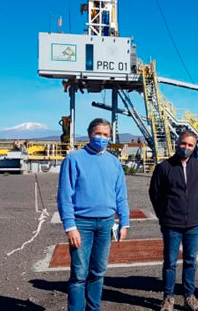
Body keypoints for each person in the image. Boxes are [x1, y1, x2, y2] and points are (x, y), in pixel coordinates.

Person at [57, 118, 130, 311]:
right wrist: (70, 226)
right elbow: (65, 195)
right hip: (82, 224)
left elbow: (121, 195)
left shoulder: (114, 163)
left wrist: (124, 221)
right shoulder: (74, 159)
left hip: (106, 224)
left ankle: (93, 308)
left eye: (106, 135)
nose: (102, 138)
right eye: (98, 134)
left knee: (98, 272)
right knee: (79, 274)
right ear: (90, 134)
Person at [149, 131, 198, 311]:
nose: (186, 148)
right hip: (171, 224)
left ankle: (189, 295)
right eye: (183, 144)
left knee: (190, 260)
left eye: (190, 145)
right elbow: (155, 194)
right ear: (177, 143)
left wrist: (191, 209)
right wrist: (164, 214)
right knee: (170, 262)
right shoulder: (164, 167)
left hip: (193, 224)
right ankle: (169, 297)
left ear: (194, 146)